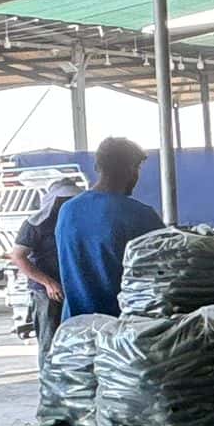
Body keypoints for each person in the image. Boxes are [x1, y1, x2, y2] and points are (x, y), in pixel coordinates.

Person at [54, 137, 164, 320]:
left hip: (74, 326)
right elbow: (167, 274)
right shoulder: (140, 215)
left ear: (98, 167)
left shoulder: (68, 210)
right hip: (120, 327)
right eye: (137, 168)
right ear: (130, 169)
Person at [8, 177, 82, 362]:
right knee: (50, 342)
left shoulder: (80, 221)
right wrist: (48, 283)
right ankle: (49, 377)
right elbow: (18, 256)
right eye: (63, 200)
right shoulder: (36, 224)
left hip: (76, 287)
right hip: (47, 292)